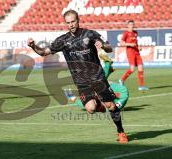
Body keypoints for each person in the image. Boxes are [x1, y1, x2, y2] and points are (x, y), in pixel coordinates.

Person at [27, 10, 128, 143]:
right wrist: (34, 46)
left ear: (78, 20)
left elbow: (110, 48)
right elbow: (43, 52)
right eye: (68, 23)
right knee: (91, 109)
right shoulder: (63, 40)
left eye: (73, 21)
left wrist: (103, 45)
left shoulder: (90, 34)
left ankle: (121, 132)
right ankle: (98, 103)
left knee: (111, 106)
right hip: (81, 81)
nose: (71, 25)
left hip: (97, 77)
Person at [119, 20, 149, 91]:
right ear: (128, 26)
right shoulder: (126, 33)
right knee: (132, 69)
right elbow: (121, 43)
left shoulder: (135, 33)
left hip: (137, 52)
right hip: (130, 52)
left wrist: (138, 47)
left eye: (133, 24)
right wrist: (130, 44)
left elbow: (136, 43)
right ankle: (122, 80)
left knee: (141, 67)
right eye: (130, 25)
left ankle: (141, 86)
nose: (132, 26)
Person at [64, 81, 129, 112]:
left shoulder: (122, 95)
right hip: (114, 92)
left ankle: (71, 96)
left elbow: (112, 108)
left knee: (89, 104)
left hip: (114, 93)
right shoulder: (122, 94)